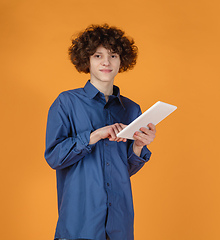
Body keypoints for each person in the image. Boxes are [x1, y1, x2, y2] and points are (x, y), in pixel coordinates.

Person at [44, 24, 156, 240]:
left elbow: (124, 171)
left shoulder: (132, 109)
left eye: (113, 55)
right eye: (98, 55)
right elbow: (54, 157)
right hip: (79, 224)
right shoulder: (66, 102)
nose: (106, 62)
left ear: (122, 60)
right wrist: (94, 135)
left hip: (119, 225)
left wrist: (139, 146)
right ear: (87, 60)